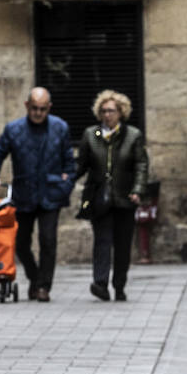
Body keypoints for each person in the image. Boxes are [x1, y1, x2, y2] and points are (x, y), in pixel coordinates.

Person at [0, 87, 75, 302]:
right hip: (24, 194)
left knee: (48, 240)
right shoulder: (13, 129)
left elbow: (69, 163)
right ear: (27, 106)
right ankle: (34, 277)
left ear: (49, 108)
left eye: (43, 109)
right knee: (21, 243)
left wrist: (66, 185)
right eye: (34, 108)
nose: (38, 113)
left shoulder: (60, 128)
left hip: (50, 194)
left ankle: (44, 286)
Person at [73, 90, 149, 302]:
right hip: (100, 197)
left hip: (124, 197)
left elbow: (141, 165)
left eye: (112, 111)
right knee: (102, 241)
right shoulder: (91, 135)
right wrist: (66, 176)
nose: (108, 115)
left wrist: (138, 190)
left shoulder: (132, 136)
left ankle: (120, 285)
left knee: (123, 244)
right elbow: (82, 165)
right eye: (104, 111)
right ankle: (100, 283)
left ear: (121, 112)